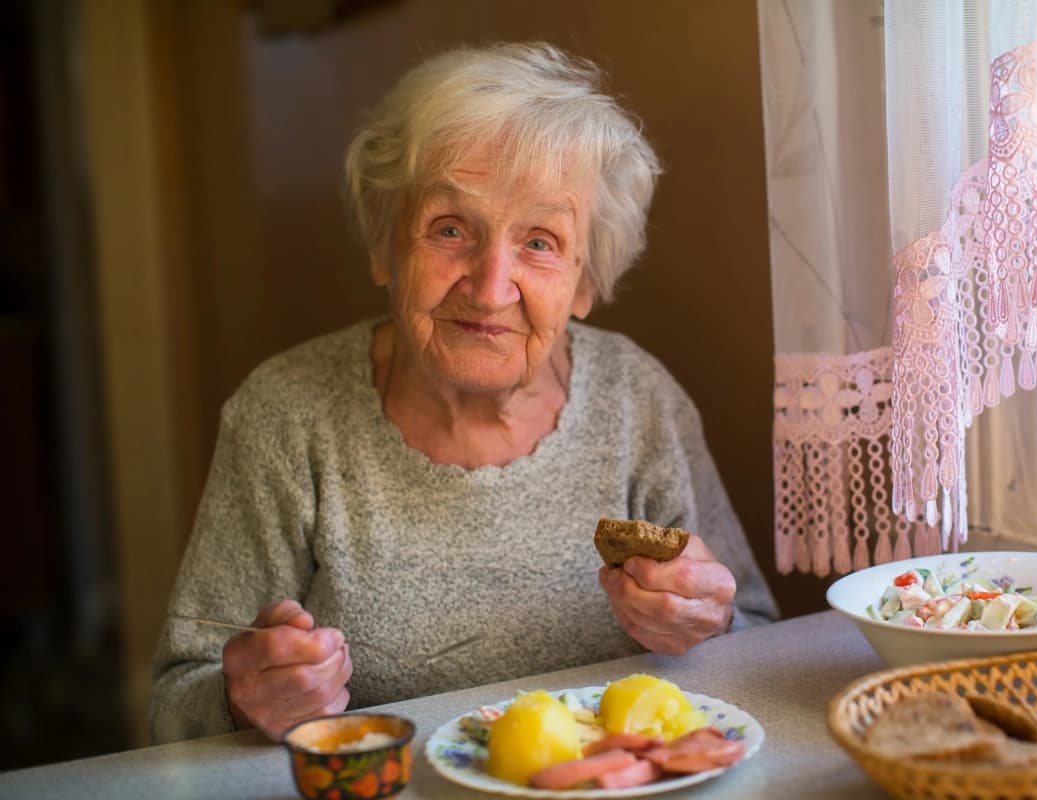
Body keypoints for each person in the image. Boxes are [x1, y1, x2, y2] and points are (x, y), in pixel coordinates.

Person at [149, 41, 778, 744]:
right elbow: (178, 703)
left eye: (539, 242)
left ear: (586, 282)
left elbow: (755, 636)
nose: (488, 286)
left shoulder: (638, 399)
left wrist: (709, 624)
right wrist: (244, 701)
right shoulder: (285, 416)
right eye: (450, 229)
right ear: (385, 246)